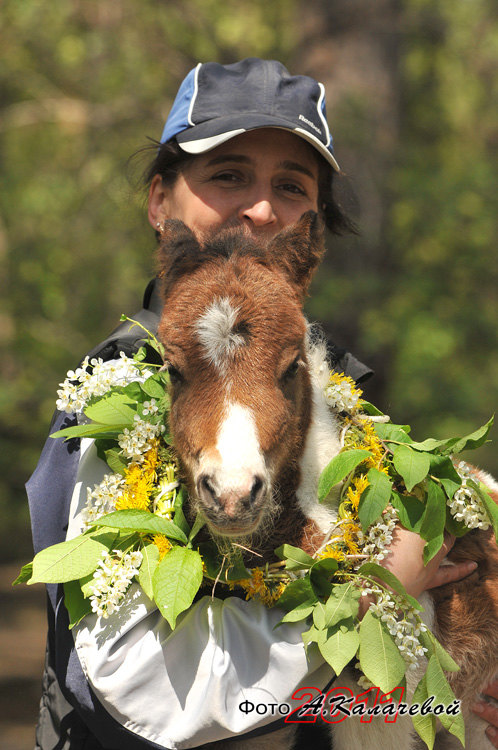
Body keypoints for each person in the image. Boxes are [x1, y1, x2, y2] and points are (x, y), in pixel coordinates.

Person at [27, 58, 498, 750]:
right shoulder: (123, 399)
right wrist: (367, 593)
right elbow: (140, 683)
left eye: (291, 186)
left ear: (314, 235)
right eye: (228, 174)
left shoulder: (323, 385)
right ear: (160, 202)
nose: (261, 207)